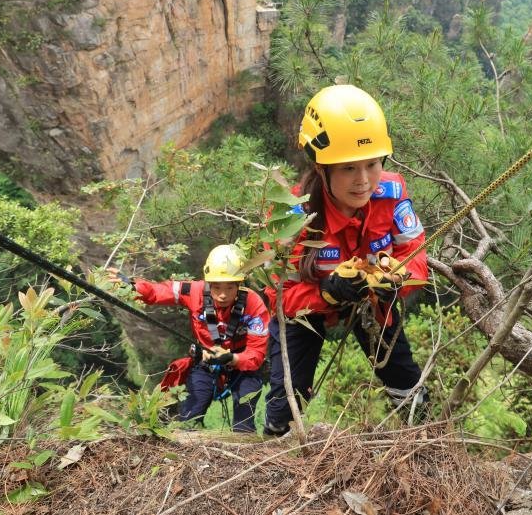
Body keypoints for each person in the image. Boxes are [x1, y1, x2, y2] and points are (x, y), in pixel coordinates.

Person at [263, 84, 429, 437]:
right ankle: (277, 437)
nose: (364, 181)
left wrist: (395, 279)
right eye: (349, 168)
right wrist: (326, 292)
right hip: (307, 309)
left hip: (371, 300)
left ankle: (424, 436)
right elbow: (280, 296)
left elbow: (416, 257)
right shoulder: (291, 216)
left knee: (402, 375)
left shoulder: (392, 193)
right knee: (288, 396)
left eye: (372, 164)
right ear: (321, 167)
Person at [109, 244, 269, 433]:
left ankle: (244, 441)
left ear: (240, 283)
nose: (223, 294)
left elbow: (256, 353)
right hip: (206, 362)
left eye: (230, 287)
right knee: (188, 420)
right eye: (216, 286)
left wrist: (232, 358)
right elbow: (158, 291)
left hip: (242, 365)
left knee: (244, 422)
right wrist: (133, 287)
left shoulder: (253, 305)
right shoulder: (194, 291)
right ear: (208, 281)